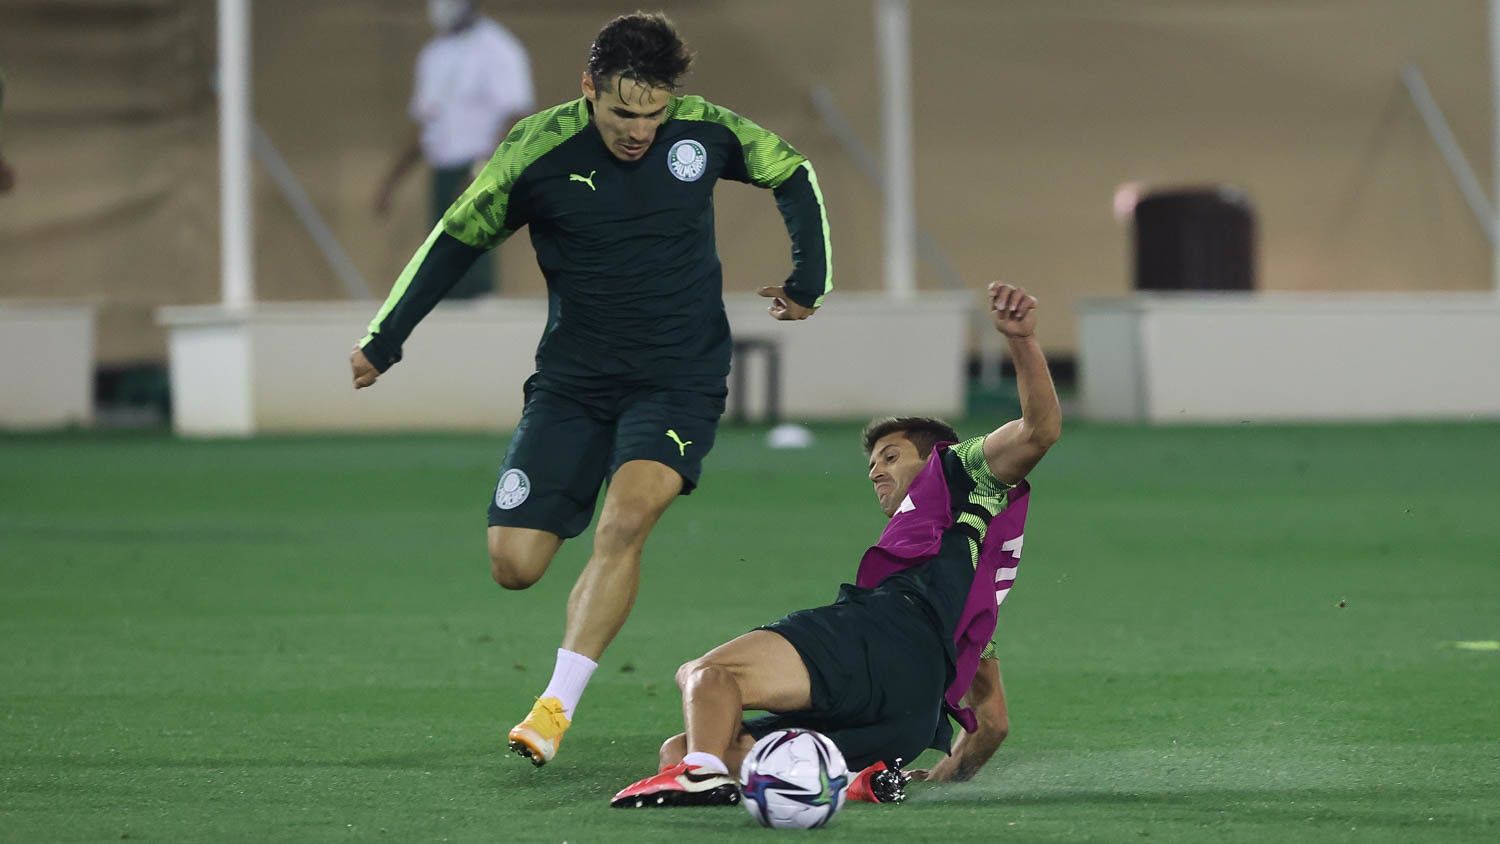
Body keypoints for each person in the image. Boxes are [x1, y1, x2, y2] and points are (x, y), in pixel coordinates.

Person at [348, 12, 832, 768]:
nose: (639, 130)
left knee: (626, 521)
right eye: (621, 112)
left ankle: (553, 708)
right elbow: (455, 238)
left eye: (653, 113)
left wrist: (810, 280)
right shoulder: (538, 150)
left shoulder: (705, 132)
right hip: (573, 385)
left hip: (678, 379)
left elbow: (792, 171)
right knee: (515, 565)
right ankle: (580, 562)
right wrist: (386, 338)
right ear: (588, 89)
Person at [610, 283, 1058, 809]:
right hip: (907, 718)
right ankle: (849, 783)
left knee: (706, 676)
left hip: (882, 635)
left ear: (936, 455)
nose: (876, 470)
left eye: (891, 456)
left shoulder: (959, 468)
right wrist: (941, 781)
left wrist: (1021, 341)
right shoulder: (966, 591)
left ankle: (700, 776)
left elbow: (1038, 430)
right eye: (873, 464)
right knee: (682, 745)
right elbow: (992, 723)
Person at [373, 0, 535, 297]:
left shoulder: (499, 50)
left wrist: (485, 171)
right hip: (443, 173)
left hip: (480, 168)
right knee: (442, 268)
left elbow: (516, 118)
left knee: (473, 267)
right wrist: (391, 182)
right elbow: (423, 126)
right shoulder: (433, 55)